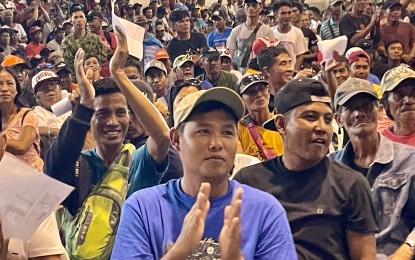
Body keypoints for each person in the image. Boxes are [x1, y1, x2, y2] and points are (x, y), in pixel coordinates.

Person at [111, 86, 297, 260]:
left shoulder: (265, 210)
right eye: (204, 131)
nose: (216, 143)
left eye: (227, 132)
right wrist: (179, 252)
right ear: (176, 139)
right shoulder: (142, 208)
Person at [234, 78, 378, 259]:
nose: (321, 127)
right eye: (310, 117)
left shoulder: (351, 185)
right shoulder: (249, 182)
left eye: (327, 119)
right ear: (281, 124)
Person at [44, 36, 170, 224]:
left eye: (120, 112)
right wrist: (84, 105)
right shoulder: (81, 164)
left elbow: (162, 137)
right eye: (102, 113)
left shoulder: (138, 160)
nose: (112, 122)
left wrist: (117, 73)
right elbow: (53, 171)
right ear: (90, 119)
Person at [330, 78, 415, 259]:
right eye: (350, 108)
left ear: (380, 111)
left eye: (367, 106)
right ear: (338, 119)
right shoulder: (328, 168)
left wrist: (406, 251)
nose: (359, 113)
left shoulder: (410, 160)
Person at [1, 66, 44, 172]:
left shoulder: (27, 115)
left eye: (10, 83)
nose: (4, 88)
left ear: (17, 90)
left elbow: (22, 146)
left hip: (32, 176)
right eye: (0, 84)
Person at [237, 74, 283, 160]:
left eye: (261, 89)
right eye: (251, 92)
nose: (258, 95)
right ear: (241, 99)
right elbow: (239, 163)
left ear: (268, 92)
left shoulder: (281, 124)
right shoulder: (238, 129)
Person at [227, 0, 275, 72]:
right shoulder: (236, 31)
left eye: (254, 5)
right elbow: (231, 56)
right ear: (244, 8)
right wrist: (236, 73)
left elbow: (272, 56)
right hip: (241, 73)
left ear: (260, 7)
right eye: (248, 5)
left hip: (260, 73)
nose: (251, 8)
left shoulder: (267, 31)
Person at [61, 5, 107, 75]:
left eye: (81, 17)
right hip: (78, 77)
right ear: (71, 21)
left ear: (85, 20)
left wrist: (92, 65)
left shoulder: (95, 38)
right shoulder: (66, 42)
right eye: (76, 17)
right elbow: (69, 63)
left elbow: (103, 56)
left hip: (95, 74)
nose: (79, 20)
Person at [380, 66, 415, 146]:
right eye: (399, 95)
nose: (408, 101)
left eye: (414, 94)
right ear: (385, 104)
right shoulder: (379, 144)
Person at [166, 9, 207, 77]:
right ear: (174, 26)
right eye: (181, 21)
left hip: (202, 76)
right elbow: (177, 67)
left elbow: (204, 58)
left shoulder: (200, 37)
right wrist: (194, 60)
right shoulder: (171, 47)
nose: (186, 23)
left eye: (187, 20)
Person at [272, 1, 308, 71]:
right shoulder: (271, 32)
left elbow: (300, 56)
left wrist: (294, 72)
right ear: (275, 14)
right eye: (283, 13)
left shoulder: (298, 32)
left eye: (289, 13)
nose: (287, 16)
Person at [257, 46, 294, 110]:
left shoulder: (296, 96)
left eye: (290, 62)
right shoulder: (260, 103)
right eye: (283, 63)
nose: (290, 69)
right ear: (267, 71)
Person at [378, 0, 415, 65]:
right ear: (384, 12)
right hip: (388, 62)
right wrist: (398, 56)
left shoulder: (409, 27)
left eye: (398, 10)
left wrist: (410, 56)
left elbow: (414, 43)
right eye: (392, 10)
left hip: (408, 62)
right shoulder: (381, 29)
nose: (396, 12)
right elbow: (381, 48)